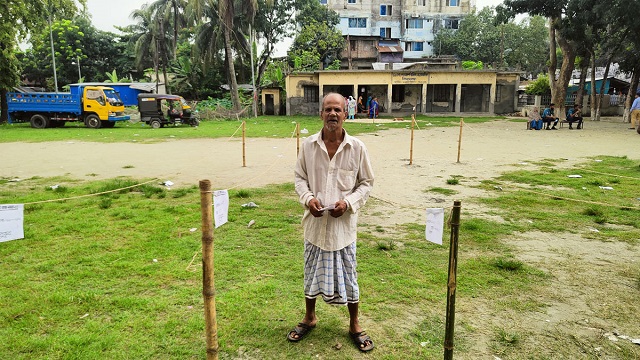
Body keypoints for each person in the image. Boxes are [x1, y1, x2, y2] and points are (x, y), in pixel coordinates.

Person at [289, 92, 375, 353]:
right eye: (328, 110)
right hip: (315, 226)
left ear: (346, 113)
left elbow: (366, 183)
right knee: (310, 271)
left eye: (337, 109)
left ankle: (354, 323)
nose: (332, 114)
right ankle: (309, 317)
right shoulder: (308, 146)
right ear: (321, 114)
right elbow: (299, 178)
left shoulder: (357, 148)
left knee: (349, 276)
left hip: (343, 229)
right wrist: (308, 198)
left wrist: (347, 203)